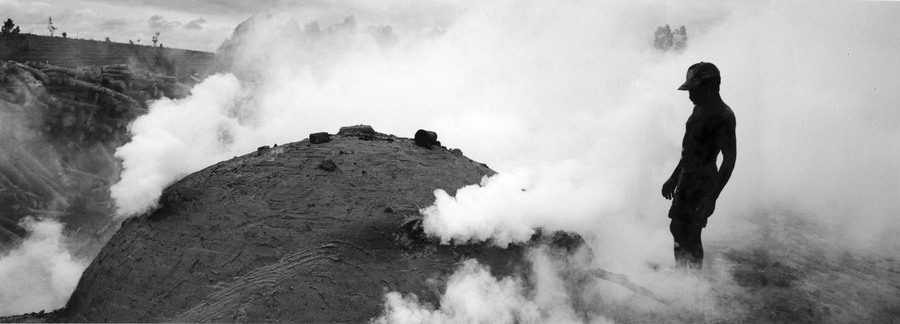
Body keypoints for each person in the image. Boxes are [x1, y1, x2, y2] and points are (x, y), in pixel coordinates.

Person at [662, 62, 736, 271]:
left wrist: (712, 196)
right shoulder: (698, 109)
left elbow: (729, 160)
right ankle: (680, 278)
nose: (690, 95)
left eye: (694, 89)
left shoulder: (724, 116)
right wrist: (674, 178)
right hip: (687, 178)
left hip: (704, 183)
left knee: (692, 234)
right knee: (676, 227)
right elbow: (689, 153)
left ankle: (694, 286)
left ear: (710, 87)